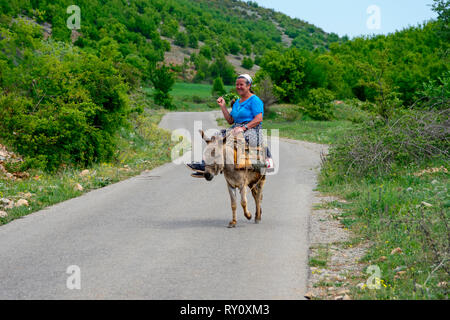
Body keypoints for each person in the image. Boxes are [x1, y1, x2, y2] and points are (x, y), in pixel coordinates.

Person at [188, 74, 274, 177]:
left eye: (241, 84)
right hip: (236, 128)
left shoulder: (255, 100)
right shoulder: (237, 102)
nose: (238, 87)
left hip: (252, 130)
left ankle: (260, 164)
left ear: (249, 85)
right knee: (216, 136)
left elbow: (259, 118)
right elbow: (230, 120)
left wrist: (243, 128)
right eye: (237, 84)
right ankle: (205, 164)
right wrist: (223, 106)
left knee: (235, 139)